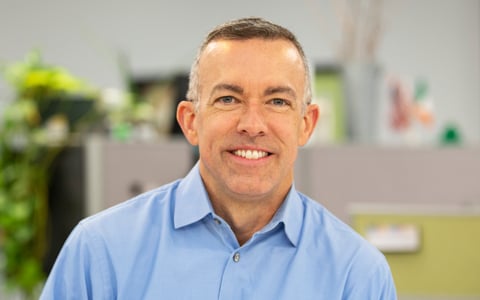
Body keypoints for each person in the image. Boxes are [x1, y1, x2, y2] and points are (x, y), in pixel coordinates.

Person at [40, 17, 397, 299]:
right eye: (228, 99)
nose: (253, 125)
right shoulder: (99, 252)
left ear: (306, 124)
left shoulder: (357, 274)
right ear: (190, 122)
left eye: (277, 101)